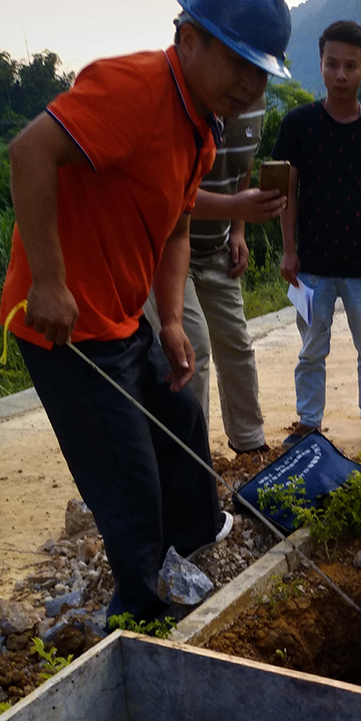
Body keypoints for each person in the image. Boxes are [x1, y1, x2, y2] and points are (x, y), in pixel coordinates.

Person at [0, 0, 292, 622]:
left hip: (125, 317)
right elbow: (29, 153)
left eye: (260, 72)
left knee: (180, 412)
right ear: (188, 38)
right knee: (127, 481)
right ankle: (143, 612)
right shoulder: (133, 89)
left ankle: (191, 541)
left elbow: (176, 230)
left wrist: (168, 323)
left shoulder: (200, 133)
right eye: (237, 63)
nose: (249, 85)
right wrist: (48, 280)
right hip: (67, 328)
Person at [272, 19, 361, 444]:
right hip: (311, 266)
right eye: (332, 64)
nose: (341, 74)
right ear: (321, 64)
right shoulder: (299, 125)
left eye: (350, 65)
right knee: (312, 349)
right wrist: (288, 250)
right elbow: (286, 192)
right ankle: (309, 424)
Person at [145, 94, 277, 455]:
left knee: (236, 343)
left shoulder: (255, 102)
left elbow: (242, 165)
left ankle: (250, 443)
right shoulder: (182, 103)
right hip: (167, 252)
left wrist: (238, 229)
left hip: (217, 248)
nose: (252, 81)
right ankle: (193, 456)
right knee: (193, 350)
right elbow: (173, 193)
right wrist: (237, 206)